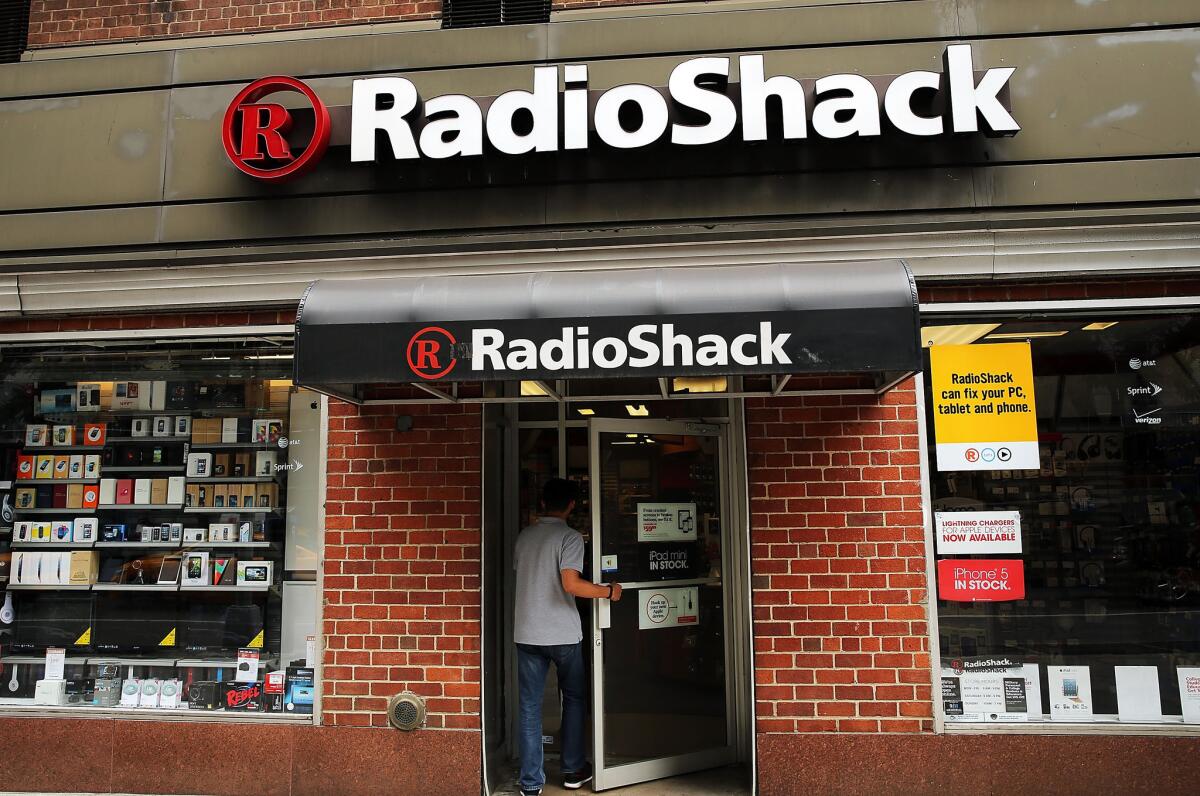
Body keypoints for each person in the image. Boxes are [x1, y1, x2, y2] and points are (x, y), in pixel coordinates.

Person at [514, 478, 622, 796]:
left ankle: (531, 783)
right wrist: (608, 592)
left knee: (530, 707)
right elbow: (571, 584)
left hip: (527, 632)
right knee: (573, 699)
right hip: (562, 634)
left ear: (543, 503)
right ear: (572, 505)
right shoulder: (570, 537)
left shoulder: (524, 536)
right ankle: (573, 770)